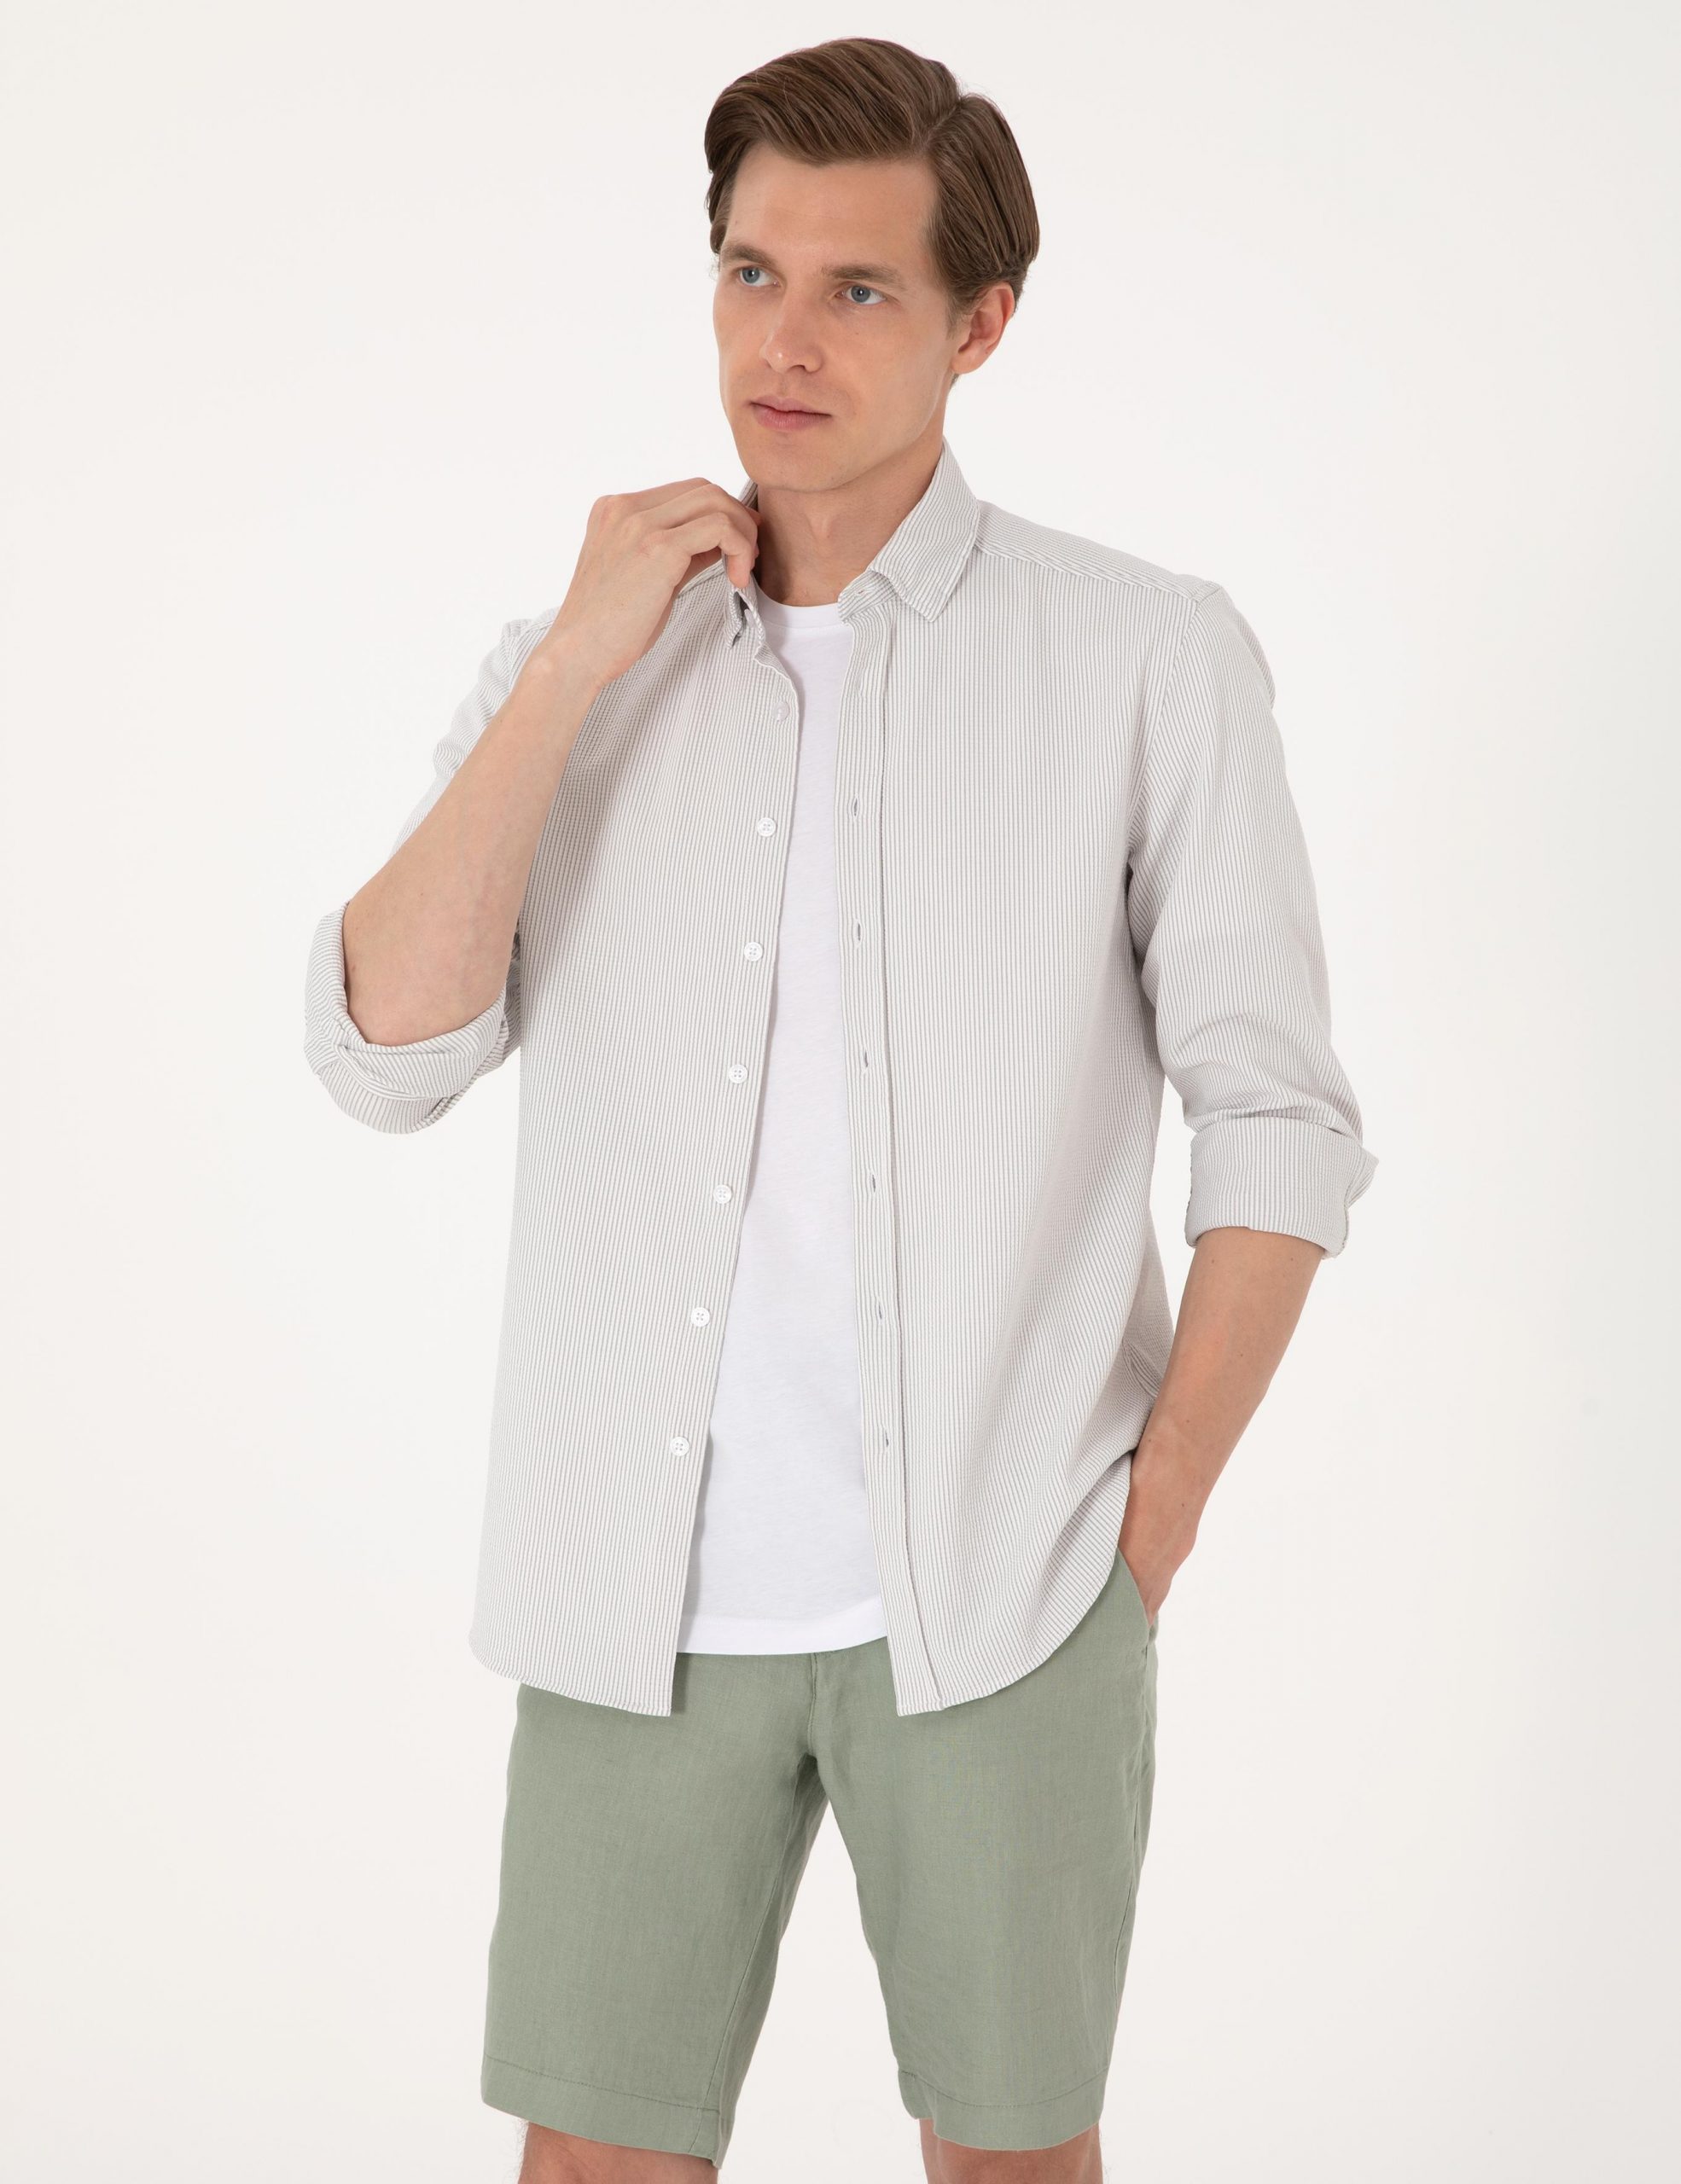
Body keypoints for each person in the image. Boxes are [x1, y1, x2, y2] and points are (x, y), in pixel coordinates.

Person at [303, 35, 1377, 2184]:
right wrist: (569, 665)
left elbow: (1275, 1121)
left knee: (1010, 2161)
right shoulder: (577, 661)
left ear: (980, 324)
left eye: (857, 288)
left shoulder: (1142, 655)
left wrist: (1145, 1529)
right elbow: (383, 1051)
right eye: (749, 273)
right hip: (633, 1603)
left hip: (1005, 1588)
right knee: (590, 2163)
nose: (780, 342)